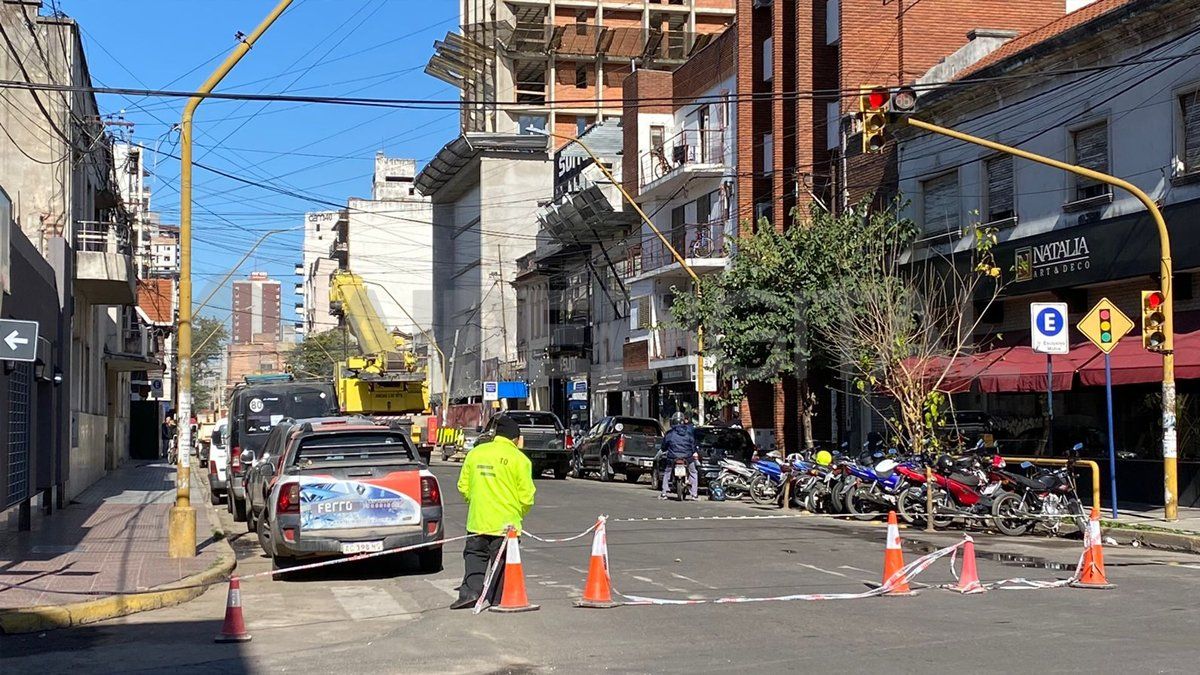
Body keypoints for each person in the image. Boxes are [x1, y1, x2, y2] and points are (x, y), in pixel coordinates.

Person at [451, 414, 536, 610]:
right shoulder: (520, 460)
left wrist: (477, 502)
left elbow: (463, 486)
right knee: (502, 563)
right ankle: (498, 598)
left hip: (478, 520)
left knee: (474, 557)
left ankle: (470, 592)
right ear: (516, 438)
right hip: (506, 525)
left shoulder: (476, 454)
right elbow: (526, 497)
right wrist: (519, 512)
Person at [659, 412, 698, 501]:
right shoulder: (688, 433)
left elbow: (664, 446)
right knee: (693, 472)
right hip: (687, 457)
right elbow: (693, 445)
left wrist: (664, 450)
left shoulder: (670, 434)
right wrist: (694, 452)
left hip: (672, 457)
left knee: (667, 472)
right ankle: (694, 494)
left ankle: (664, 493)